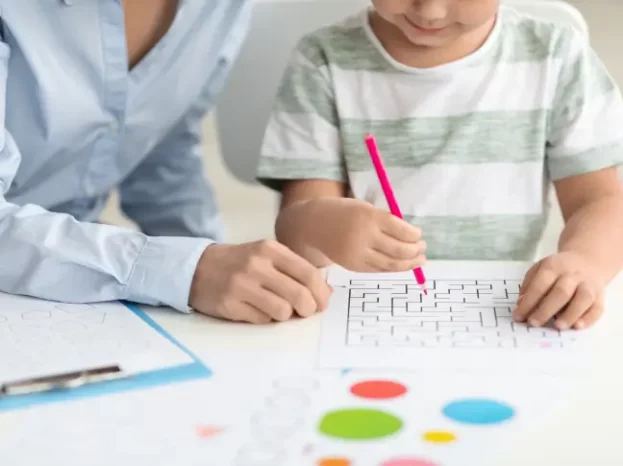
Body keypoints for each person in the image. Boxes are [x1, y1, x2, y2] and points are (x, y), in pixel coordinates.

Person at [257, 0, 623, 331]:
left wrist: (585, 261)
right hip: (368, 316)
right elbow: (295, 230)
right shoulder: (321, 59)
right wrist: (322, 226)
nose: (429, 10)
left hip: (504, 313)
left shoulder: (557, 56)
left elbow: (601, 202)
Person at [0, 0, 332, 324]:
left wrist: (221, 264)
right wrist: (187, 271)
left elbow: (164, 154)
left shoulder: (220, 7)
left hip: (82, 288)